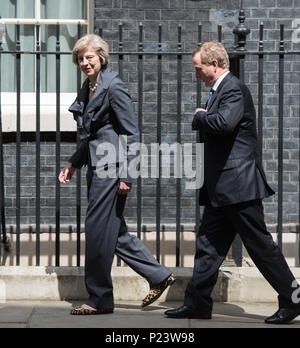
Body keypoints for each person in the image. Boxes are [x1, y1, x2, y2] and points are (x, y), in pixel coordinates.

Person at [165, 41, 300, 324]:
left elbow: (224, 124)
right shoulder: (220, 91)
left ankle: (293, 299)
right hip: (222, 188)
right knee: (208, 246)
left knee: (260, 246)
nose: (197, 73)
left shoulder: (233, 89)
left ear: (214, 65)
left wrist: (201, 116)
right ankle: (198, 303)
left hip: (238, 186)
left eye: (198, 68)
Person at [59, 34, 175, 315]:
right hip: (98, 168)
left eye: (90, 57)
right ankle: (158, 275)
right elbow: (92, 135)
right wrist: (74, 163)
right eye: (81, 58)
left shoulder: (114, 87)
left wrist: (128, 176)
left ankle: (99, 299)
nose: (85, 62)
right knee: (113, 231)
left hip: (112, 170)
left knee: (98, 233)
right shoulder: (90, 87)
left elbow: (131, 134)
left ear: (101, 57)